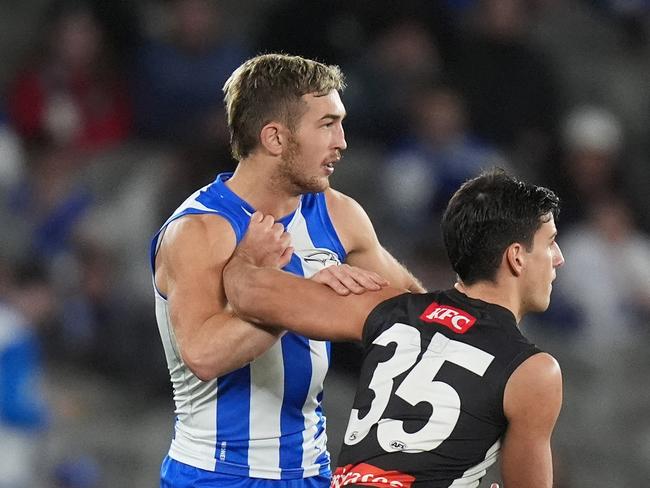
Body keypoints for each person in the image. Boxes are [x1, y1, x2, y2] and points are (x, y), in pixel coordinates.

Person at [150, 53, 424, 487]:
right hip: (216, 475)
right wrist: (301, 296)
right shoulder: (201, 230)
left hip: (311, 472)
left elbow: (413, 311)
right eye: (327, 124)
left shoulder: (337, 213)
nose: (342, 141)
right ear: (275, 138)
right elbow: (203, 354)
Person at [223, 168, 565, 487]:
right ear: (516, 257)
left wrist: (246, 258)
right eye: (549, 242)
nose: (559, 257)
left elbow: (248, 293)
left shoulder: (384, 306)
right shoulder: (533, 372)